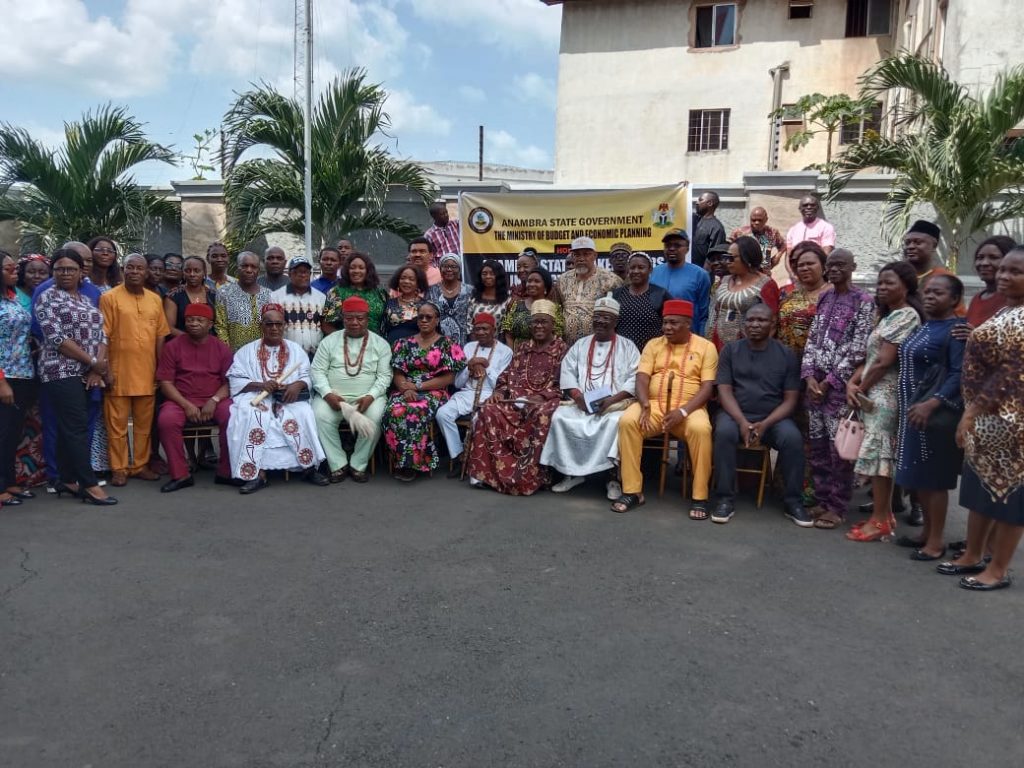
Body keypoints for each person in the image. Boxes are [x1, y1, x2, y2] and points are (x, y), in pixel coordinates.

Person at [943, 247, 1024, 590]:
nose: (1004, 276)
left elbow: (1011, 374)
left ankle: (998, 570)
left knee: (1009, 498)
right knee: (980, 492)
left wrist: (971, 413)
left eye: (1015, 271)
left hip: (1011, 424)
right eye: (1003, 270)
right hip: (985, 424)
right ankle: (972, 554)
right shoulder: (1008, 308)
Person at [614, 299, 717, 517]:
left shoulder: (706, 347)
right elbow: (642, 377)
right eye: (665, 322)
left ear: (688, 324)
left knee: (701, 430)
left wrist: (683, 412)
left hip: (689, 410)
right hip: (654, 407)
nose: (667, 328)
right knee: (627, 421)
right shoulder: (654, 344)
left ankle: (700, 496)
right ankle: (632, 491)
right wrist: (643, 403)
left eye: (673, 323)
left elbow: (707, 387)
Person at [845, 262, 923, 542]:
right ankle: (884, 515)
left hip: (884, 396)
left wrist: (861, 390)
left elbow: (884, 361)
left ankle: (879, 521)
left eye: (889, 282)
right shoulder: (888, 316)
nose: (882, 288)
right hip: (872, 393)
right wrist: (853, 382)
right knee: (880, 460)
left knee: (880, 459)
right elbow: (870, 358)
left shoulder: (907, 316)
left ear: (907, 286)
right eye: (880, 283)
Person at [33, 249, 116, 505]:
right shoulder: (46, 299)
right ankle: (88, 484)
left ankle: (66, 479)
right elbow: (57, 339)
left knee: (71, 425)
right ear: (53, 272)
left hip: (87, 371)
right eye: (59, 269)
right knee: (76, 426)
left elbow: (101, 334)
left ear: (81, 272)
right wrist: (92, 362)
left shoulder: (85, 300)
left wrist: (95, 368)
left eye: (71, 269)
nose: (65, 273)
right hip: (59, 370)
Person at [800, 248, 875, 530]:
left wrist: (828, 381)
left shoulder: (863, 302)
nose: (834, 270)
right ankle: (821, 499)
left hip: (838, 388)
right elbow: (812, 339)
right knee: (817, 446)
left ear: (853, 266)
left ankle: (837, 506)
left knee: (838, 449)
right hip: (814, 386)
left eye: (840, 265)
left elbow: (859, 350)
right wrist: (808, 377)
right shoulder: (825, 297)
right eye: (830, 265)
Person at [712, 304, 807, 525]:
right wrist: (742, 421)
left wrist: (764, 424)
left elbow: (791, 399)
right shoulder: (731, 350)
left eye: (762, 320)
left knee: (792, 438)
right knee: (724, 432)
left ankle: (793, 501)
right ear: (744, 324)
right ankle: (724, 498)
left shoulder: (786, 354)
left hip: (773, 417)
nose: (755, 325)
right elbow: (724, 391)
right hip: (736, 414)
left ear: (772, 324)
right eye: (750, 320)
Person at [893, 275, 966, 559]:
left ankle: (936, 543)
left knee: (935, 479)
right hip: (914, 413)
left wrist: (933, 403)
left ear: (954, 300)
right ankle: (925, 534)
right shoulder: (926, 326)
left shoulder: (956, 330)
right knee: (919, 476)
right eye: (927, 291)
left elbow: (959, 373)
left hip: (935, 416)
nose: (930, 296)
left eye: (938, 292)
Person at [542, 297, 640, 498]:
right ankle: (571, 474)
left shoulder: (628, 346)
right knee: (560, 417)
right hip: (581, 402)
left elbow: (634, 379)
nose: (601, 322)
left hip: (615, 404)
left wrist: (612, 400)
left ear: (615, 321)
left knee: (616, 422)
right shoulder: (580, 344)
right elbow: (568, 373)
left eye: (606, 317)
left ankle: (612, 479)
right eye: (597, 317)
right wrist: (579, 398)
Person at [466, 300, 567, 495]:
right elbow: (507, 375)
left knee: (541, 415)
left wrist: (542, 396)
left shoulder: (562, 348)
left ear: (552, 325)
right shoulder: (523, 348)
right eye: (535, 322)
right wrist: (498, 392)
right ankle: (488, 476)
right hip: (515, 398)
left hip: (545, 400)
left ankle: (530, 479)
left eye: (543, 322)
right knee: (488, 409)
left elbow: (565, 382)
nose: (538, 326)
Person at [225, 306, 328, 494]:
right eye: (269, 324)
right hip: (257, 397)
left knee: (304, 412)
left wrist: (297, 385)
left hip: (289, 397)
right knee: (250, 415)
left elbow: (307, 375)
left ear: (284, 326)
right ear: (261, 326)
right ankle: (257, 474)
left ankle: (308, 468)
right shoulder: (246, 351)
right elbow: (235, 379)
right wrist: (260, 385)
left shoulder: (295, 350)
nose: (274, 328)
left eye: (278, 324)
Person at [99, 253, 170, 486]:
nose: (135, 272)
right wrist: (106, 370)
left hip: (147, 372)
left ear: (147, 271)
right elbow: (104, 335)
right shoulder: (109, 298)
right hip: (118, 372)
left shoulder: (155, 299)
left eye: (140, 268)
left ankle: (139, 465)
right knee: (117, 425)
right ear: (123, 269)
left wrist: (160, 369)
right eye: (130, 267)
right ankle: (118, 468)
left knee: (143, 425)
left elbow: (160, 335)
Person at [311, 296, 393, 483]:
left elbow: (384, 376)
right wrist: (327, 394)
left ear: (367, 318)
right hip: (333, 398)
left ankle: (358, 464)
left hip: (367, 398)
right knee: (319, 415)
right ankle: (338, 464)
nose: (354, 322)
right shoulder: (329, 341)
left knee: (377, 416)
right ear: (343, 318)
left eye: (359, 318)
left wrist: (370, 397)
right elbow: (317, 371)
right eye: (349, 318)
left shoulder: (380, 343)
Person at [382, 301, 465, 482]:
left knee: (414, 411)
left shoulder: (447, 344)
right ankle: (402, 460)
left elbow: (448, 378)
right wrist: (404, 389)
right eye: (421, 317)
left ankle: (413, 464)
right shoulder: (403, 343)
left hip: (434, 391)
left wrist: (417, 387)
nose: (424, 320)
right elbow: (397, 373)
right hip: (405, 390)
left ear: (437, 320)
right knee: (393, 410)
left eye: (429, 317)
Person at [156, 303, 234, 492]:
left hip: (214, 398)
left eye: (200, 320)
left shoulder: (221, 348)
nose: (194, 324)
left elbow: (230, 382)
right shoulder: (172, 346)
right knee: (166, 420)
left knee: (233, 415)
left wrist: (214, 401)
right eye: (190, 320)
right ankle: (181, 474)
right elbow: (165, 382)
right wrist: (185, 405)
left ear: (210, 324)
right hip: (181, 399)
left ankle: (227, 472)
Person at [435, 312, 513, 478]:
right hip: (467, 393)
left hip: (490, 395)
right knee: (442, 414)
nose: (481, 332)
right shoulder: (469, 347)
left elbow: (500, 383)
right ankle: (458, 456)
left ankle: (478, 462)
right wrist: (469, 370)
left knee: (480, 420)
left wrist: (484, 367)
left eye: (485, 329)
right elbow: (458, 383)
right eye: (477, 329)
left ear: (494, 329)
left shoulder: (505, 351)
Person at [0, 253, 37, 507]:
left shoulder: (13, 299)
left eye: (16, 267)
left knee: (12, 433)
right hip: (5, 377)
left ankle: (9, 481)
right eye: (10, 268)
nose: (17, 272)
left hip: (23, 373)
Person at [706, 236, 780, 350]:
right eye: (726, 257)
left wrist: (760, 351)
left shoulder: (766, 285)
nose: (727, 262)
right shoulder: (724, 281)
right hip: (718, 345)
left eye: (731, 258)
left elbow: (773, 323)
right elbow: (714, 315)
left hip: (750, 349)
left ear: (747, 258)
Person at [551, 236, 623, 345]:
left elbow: (619, 315)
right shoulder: (562, 280)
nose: (581, 258)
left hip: (599, 346)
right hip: (567, 347)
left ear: (595, 255)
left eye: (586, 254)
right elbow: (557, 311)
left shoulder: (611, 280)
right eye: (577, 254)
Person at [650, 228, 710, 334]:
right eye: (668, 245)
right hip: (657, 336)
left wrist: (701, 339)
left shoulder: (700, 275)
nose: (672, 249)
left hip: (687, 337)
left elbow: (703, 314)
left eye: (677, 245)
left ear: (687, 249)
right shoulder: (654, 272)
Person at [777, 241, 831, 358]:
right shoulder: (787, 293)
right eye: (800, 265)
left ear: (824, 266)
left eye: (810, 263)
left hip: (817, 362)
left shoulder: (833, 293)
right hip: (783, 360)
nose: (805, 268)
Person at [215, 252, 272, 352]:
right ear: (237, 268)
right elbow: (221, 327)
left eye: (253, 267)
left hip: (262, 355)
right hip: (234, 357)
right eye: (244, 266)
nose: (249, 270)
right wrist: (228, 354)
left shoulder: (269, 295)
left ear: (258, 270)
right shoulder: (224, 292)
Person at [322, 252, 389, 337]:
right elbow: (326, 326)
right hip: (345, 345)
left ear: (368, 271)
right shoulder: (336, 292)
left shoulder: (380, 293)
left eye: (361, 268)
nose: (356, 271)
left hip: (375, 345)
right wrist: (343, 341)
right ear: (347, 270)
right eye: (352, 268)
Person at [271, 255, 326, 358]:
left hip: (315, 355)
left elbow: (324, 325)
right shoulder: (276, 297)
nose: (302, 275)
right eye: (297, 272)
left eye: (305, 272)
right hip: (287, 355)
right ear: (289, 274)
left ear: (310, 274)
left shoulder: (321, 297)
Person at [616, 252, 672, 352]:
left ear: (650, 270)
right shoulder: (617, 294)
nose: (636, 271)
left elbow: (672, 322)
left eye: (641, 267)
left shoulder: (660, 294)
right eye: (632, 267)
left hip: (652, 354)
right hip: (622, 354)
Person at [502, 266, 563, 349]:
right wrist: (512, 356)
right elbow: (508, 334)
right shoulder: (516, 305)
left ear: (545, 287)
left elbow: (558, 335)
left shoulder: (554, 308)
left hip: (545, 356)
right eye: (529, 281)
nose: (531, 284)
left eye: (537, 281)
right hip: (518, 357)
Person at [426, 253, 473, 346]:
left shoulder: (470, 290)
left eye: (453, 266)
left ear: (459, 269)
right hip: (436, 344)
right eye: (445, 266)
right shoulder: (431, 290)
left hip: (464, 343)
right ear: (440, 269)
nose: (449, 269)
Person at [165, 256, 217, 336]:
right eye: (187, 271)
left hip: (210, 345)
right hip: (182, 345)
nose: (192, 274)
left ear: (204, 273)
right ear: (183, 273)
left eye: (197, 271)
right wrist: (193, 340)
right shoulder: (174, 296)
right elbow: (169, 328)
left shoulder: (213, 295)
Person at [730, 206, 787, 274]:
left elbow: (784, 244)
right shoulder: (739, 233)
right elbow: (728, 249)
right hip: (745, 273)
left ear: (766, 219)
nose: (757, 223)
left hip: (764, 273)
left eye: (760, 220)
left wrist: (777, 256)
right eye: (753, 220)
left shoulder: (772, 232)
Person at [382, 265, 426, 344]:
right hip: (391, 347)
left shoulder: (425, 305)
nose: (406, 281)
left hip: (416, 349)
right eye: (403, 278)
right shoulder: (389, 303)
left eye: (411, 279)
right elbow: (383, 328)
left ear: (418, 283)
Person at [467, 259, 513, 332]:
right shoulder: (474, 299)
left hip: (499, 342)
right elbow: (469, 325)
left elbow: (507, 328)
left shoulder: (507, 301)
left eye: (492, 273)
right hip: (477, 341)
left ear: (498, 276)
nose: (488, 276)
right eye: (484, 274)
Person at [785, 196, 836, 260]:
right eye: (805, 205)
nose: (809, 207)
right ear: (800, 208)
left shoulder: (826, 227)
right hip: (796, 268)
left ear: (817, 208)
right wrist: (792, 270)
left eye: (812, 205)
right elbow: (788, 256)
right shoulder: (793, 230)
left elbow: (826, 253)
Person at [691, 191, 727, 269]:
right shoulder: (693, 219)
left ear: (710, 203)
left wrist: (704, 275)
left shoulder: (716, 228)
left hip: (700, 273)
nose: (696, 203)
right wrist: (684, 190)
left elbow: (713, 256)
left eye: (700, 200)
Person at [424, 201, 460, 266]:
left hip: (459, 265)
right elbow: (428, 255)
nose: (446, 215)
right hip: (442, 268)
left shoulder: (455, 224)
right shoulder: (429, 234)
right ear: (434, 216)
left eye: (446, 212)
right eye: (442, 214)